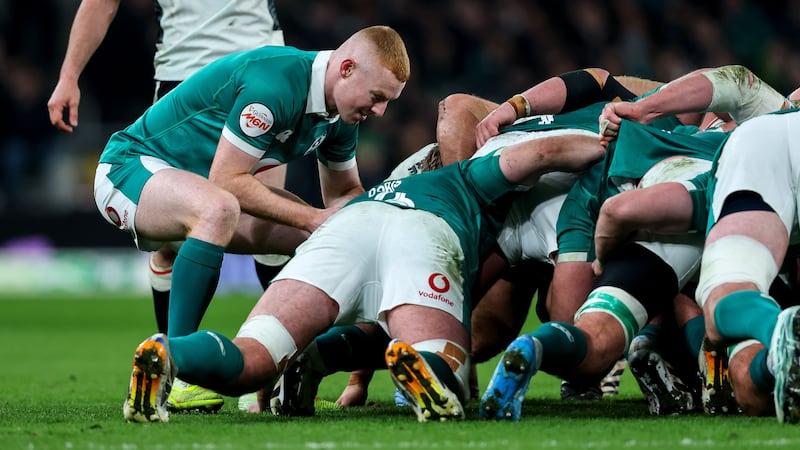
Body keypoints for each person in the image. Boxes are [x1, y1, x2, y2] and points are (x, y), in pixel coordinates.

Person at [121, 109, 608, 423]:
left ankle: (172, 353)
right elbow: (541, 153)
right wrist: (605, 146)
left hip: (342, 231)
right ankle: (428, 368)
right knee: (447, 370)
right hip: (420, 235)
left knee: (253, 358)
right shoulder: (467, 177)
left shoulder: (397, 179)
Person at [479, 65, 796, 421]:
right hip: (633, 203)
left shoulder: (672, 132)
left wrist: (605, 260)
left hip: (587, 201)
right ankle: (725, 349)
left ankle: (536, 347)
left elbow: (621, 209)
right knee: (715, 294)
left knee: (597, 339)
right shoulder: (716, 141)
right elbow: (730, 84)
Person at [47, 0, 288, 413]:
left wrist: (70, 75)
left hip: (257, 69)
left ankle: (266, 375)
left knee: (268, 226)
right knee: (181, 238)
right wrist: (69, 74)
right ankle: (180, 372)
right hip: (198, 75)